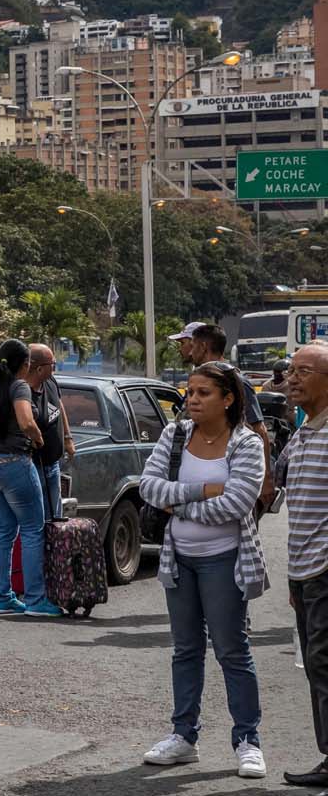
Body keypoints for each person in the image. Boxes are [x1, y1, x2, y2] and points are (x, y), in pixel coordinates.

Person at [137, 362, 268, 779]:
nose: (191, 400)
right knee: (186, 649)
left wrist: (180, 505)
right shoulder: (174, 435)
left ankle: (248, 741)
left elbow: (238, 503)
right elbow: (148, 487)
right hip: (179, 559)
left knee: (232, 650)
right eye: (190, 392)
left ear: (228, 399)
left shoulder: (246, 444)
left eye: (203, 393)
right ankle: (184, 737)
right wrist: (204, 489)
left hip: (225, 559)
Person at [0, 339, 63, 617]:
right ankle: (36, 600)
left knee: (4, 530)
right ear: (25, 364)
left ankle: (0, 597)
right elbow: (26, 421)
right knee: (33, 530)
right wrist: (37, 439)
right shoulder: (19, 385)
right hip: (14, 464)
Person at [282, 342, 328, 788]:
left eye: (304, 371)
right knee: (317, 666)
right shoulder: (303, 431)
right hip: (305, 570)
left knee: (324, 662)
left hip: (325, 569)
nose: (292, 378)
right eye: (291, 370)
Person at [170, 322, 274, 510]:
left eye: (192, 346)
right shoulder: (195, 381)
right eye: (192, 393)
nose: (190, 352)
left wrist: (266, 479)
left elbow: (260, 430)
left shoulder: (235, 382)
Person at [28, 344, 76, 520]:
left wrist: (68, 437)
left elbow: (59, 405)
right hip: (34, 464)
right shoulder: (23, 393)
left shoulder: (50, 381)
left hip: (53, 462)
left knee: (55, 516)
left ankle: (52, 547)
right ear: (40, 368)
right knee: (39, 518)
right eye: (52, 364)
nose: (55, 367)